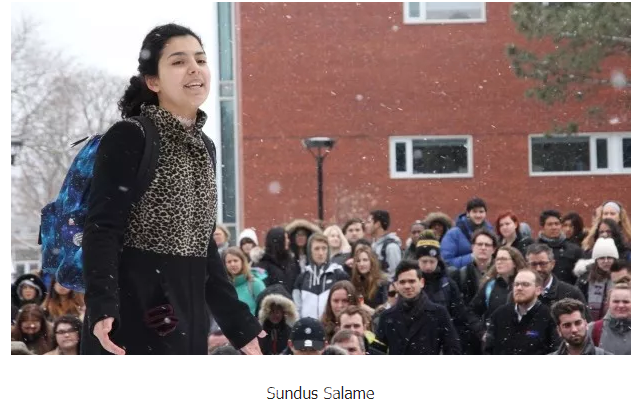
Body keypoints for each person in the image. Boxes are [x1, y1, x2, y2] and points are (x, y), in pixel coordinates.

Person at [81, 23, 263, 355]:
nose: (195, 68)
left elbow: (203, 246)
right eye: (179, 61)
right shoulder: (131, 136)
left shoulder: (205, 145)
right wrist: (103, 305)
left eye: (201, 59)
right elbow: (102, 228)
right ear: (153, 82)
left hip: (187, 316)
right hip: (133, 316)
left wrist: (240, 326)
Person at [414, 230, 484, 354]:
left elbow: (460, 316)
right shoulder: (409, 283)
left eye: (432, 261)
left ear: (438, 261)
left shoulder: (448, 284)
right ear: (417, 260)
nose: (428, 266)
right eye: (424, 262)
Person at [375, 260, 461, 355]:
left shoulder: (439, 313)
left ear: (421, 282)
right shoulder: (387, 317)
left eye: (412, 281)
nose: (407, 286)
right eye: (402, 282)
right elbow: (377, 352)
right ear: (397, 285)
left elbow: (453, 350)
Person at [484, 269, 560, 355]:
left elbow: (556, 351)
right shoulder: (499, 314)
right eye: (516, 284)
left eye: (525, 284)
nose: (519, 288)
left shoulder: (549, 316)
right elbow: (488, 349)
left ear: (538, 290)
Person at [292, 233, 349, 319]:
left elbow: (348, 303)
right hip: (308, 326)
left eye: (324, 248)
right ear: (310, 251)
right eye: (316, 249)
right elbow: (297, 309)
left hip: (332, 325)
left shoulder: (339, 274)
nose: (321, 253)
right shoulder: (302, 278)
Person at [470, 246, 527, 322]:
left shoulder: (526, 284)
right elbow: (472, 311)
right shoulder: (490, 286)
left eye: (503, 259)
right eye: (497, 259)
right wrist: (480, 328)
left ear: (514, 263)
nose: (499, 262)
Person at [521, 244, 586, 309]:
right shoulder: (519, 292)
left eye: (543, 264)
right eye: (533, 264)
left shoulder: (571, 293)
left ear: (552, 264)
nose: (538, 269)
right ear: (527, 265)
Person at [442, 197, 494, 269]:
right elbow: (446, 262)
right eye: (474, 212)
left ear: (485, 213)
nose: (478, 215)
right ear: (468, 213)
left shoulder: (491, 232)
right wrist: (472, 257)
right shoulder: (453, 234)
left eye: (481, 212)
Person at [575, 237, 618, 322]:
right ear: (596, 260)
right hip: (588, 322)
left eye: (609, 257)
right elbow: (577, 301)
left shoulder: (621, 276)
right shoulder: (585, 278)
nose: (606, 261)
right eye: (602, 258)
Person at [450, 229, 497, 305]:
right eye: (479, 244)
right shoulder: (461, 275)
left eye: (487, 245)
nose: (483, 248)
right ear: (472, 247)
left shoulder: (500, 273)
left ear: (494, 249)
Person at [536, 210, 583, 285]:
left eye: (557, 224)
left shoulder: (574, 250)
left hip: (567, 290)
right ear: (542, 227)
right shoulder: (534, 249)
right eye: (550, 224)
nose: (554, 227)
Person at [587, 280, 630, 355]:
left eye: (626, 302)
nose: (621, 305)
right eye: (616, 301)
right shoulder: (593, 329)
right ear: (608, 303)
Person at [253, 227, 301, 292]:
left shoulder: (291, 262)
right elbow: (261, 289)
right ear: (278, 241)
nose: (288, 241)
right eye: (285, 238)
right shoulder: (263, 264)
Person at [224, 247, 267, 316]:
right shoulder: (225, 287)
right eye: (229, 262)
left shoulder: (255, 283)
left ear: (242, 262)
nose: (232, 264)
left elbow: (266, 310)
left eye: (235, 260)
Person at [257, 290, 298, 355]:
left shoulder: (289, 332)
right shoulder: (260, 332)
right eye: (272, 311)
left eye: (278, 312)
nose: (275, 315)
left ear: (283, 312)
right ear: (267, 312)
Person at [366, 210, 403, 279]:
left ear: (377, 224)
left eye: (368, 222)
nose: (366, 225)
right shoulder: (372, 245)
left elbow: (395, 274)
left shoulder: (391, 247)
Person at [350, 246, 389, 311]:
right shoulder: (355, 282)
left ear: (372, 261)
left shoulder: (382, 283)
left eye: (365, 260)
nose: (361, 264)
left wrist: (369, 310)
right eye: (358, 261)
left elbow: (386, 309)